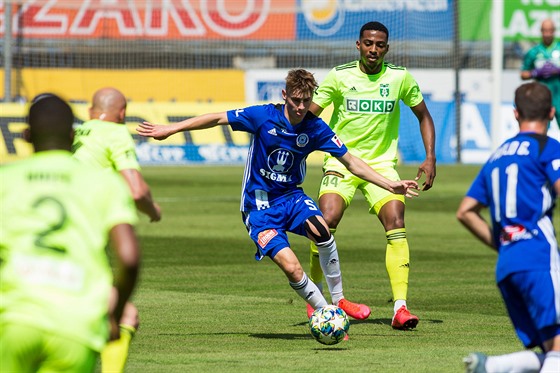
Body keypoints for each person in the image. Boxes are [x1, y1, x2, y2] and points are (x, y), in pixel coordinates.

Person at [137, 68, 420, 324]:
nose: (300, 107)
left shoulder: (315, 128)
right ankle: (326, 314)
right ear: (285, 95)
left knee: (323, 230)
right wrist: (171, 128)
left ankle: (339, 301)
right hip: (258, 208)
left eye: (306, 101)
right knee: (292, 267)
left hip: (292, 198)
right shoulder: (263, 116)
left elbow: (351, 161)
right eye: (295, 100)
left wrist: (388, 184)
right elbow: (216, 117)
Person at [306, 21, 436, 330]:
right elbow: (309, 116)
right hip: (341, 162)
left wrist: (430, 158)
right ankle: (317, 300)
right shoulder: (339, 77)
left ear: (386, 48)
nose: (373, 50)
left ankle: (401, 308)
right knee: (326, 219)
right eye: (368, 44)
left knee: (396, 220)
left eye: (379, 45)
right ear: (358, 45)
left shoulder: (399, 78)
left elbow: (424, 115)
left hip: (381, 167)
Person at [0, 94, 140, 372]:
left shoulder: (6, 179)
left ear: (26, 136)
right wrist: (114, 312)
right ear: (74, 135)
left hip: (15, 320)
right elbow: (129, 257)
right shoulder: (104, 184)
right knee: (128, 316)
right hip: (75, 323)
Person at [457, 82, 560, 373]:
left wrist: (504, 244)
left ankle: (490, 367)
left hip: (508, 265)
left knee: (550, 348)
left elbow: (465, 211)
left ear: (515, 114)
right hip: (540, 256)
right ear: (552, 113)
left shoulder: (497, 155)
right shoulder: (548, 147)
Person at [72, 86, 161, 373]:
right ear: (122, 113)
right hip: (78, 239)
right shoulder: (115, 132)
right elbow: (136, 190)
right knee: (125, 315)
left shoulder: (77, 132)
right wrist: (153, 210)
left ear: (90, 112)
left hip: (54, 230)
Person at [520, 18, 560, 128]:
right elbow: (523, 74)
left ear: (554, 31)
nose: (547, 34)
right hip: (541, 97)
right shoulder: (534, 52)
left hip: (559, 95)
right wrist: (535, 73)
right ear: (541, 31)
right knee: (540, 128)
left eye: (550, 30)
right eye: (545, 31)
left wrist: (557, 70)